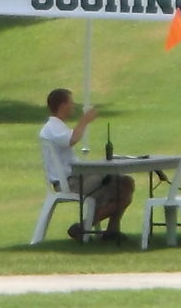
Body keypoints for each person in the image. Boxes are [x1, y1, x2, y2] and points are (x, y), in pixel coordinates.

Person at [40, 86, 132, 243]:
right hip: (70, 182)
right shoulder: (52, 127)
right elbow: (72, 140)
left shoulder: (59, 127)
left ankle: (106, 229)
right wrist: (85, 121)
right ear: (62, 105)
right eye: (71, 103)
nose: (73, 106)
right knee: (120, 185)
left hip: (77, 178)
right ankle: (87, 227)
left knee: (125, 183)